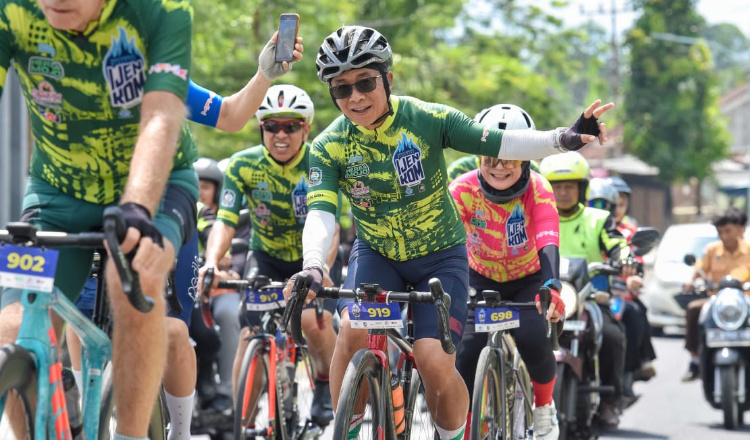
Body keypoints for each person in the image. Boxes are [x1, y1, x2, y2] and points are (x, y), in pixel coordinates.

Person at [283, 25, 613, 440]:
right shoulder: (328, 146)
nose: (355, 98)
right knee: (350, 333)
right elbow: (320, 213)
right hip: (377, 254)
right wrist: (313, 266)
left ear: (388, 78)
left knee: (432, 359)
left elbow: (503, 143)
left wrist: (564, 138)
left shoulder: (428, 118)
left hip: (440, 257)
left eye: (365, 83)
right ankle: (346, 432)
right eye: (342, 89)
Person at [0, 2, 302, 437]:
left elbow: (226, 116)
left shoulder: (152, 31)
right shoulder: (17, 14)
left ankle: (156, 431)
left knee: (150, 302)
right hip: (59, 194)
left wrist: (263, 76)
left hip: (153, 192)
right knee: (16, 325)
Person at [198, 84, 339, 426]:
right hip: (266, 257)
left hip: (310, 258)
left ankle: (324, 385)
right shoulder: (243, 164)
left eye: (291, 126)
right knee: (250, 336)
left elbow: (332, 226)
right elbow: (225, 221)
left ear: (306, 128)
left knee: (312, 322)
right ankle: (243, 423)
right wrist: (212, 262)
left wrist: (322, 267)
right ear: (261, 128)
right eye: (272, 126)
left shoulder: (320, 161)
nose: (281, 134)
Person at [449, 104, 562, 440]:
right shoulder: (462, 189)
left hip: (528, 278)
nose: (498, 167)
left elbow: (548, 237)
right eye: (489, 158)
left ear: (525, 159)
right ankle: (466, 428)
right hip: (479, 277)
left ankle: (544, 406)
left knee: (532, 337)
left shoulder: (539, 189)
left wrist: (552, 285)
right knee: (466, 353)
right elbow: (445, 243)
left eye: (510, 159)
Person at [539, 153, 634, 430]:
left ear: (582, 189)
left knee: (613, 337)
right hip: (544, 298)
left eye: (569, 186)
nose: (563, 192)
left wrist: (625, 258)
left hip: (589, 297)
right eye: (557, 186)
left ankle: (610, 401)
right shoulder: (537, 216)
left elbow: (617, 243)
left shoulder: (599, 218)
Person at [681, 207, 750, 382]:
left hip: (745, 302)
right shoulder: (712, 250)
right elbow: (700, 269)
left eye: (728, 231)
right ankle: (695, 360)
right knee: (694, 309)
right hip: (716, 301)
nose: (724, 236)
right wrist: (691, 282)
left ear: (740, 229)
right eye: (720, 232)